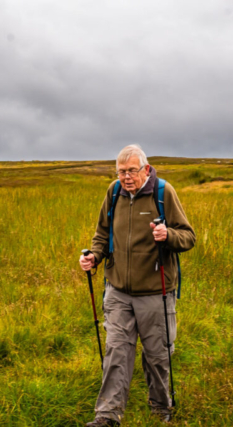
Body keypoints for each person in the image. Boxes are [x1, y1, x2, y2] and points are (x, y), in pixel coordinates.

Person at [80, 145, 196, 426]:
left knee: (158, 355)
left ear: (145, 169)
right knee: (117, 351)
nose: (126, 177)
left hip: (156, 291)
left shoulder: (163, 193)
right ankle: (108, 415)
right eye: (121, 172)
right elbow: (102, 234)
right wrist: (94, 256)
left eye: (132, 171)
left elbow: (188, 237)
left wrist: (167, 234)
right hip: (118, 290)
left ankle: (160, 409)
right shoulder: (114, 192)